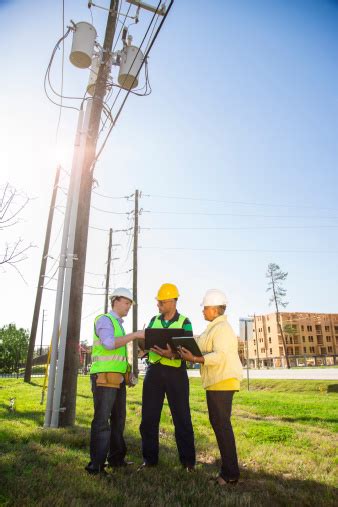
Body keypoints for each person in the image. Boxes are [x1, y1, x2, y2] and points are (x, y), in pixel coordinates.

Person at [178, 289, 242, 486]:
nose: (202, 311)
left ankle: (230, 474)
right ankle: (229, 471)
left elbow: (220, 355)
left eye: (205, 308)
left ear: (214, 309)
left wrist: (196, 359)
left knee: (222, 427)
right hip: (216, 381)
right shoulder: (213, 328)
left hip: (222, 381)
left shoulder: (222, 329)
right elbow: (199, 342)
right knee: (220, 425)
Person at [85, 287, 145, 476]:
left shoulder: (119, 325)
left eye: (130, 304)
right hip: (103, 379)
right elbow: (109, 344)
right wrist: (135, 335)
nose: (128, 307)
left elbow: (117, 353)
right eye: (126, 303)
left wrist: (130, 370)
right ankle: (96, 465)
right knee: (102, 421)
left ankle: (116, 459)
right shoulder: (104, 320)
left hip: (117, 379)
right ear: (116, 301)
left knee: (119, 419)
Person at [138, 283, 196, 471]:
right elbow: (147, 343)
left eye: (161, 302)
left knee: (182, 418)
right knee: (148, 418)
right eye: (158, 302)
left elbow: (188, 349)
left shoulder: (185, 322)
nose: (158, 305)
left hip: (176, 374)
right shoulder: (154, 320)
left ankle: (188, 463)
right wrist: (143, 346)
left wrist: (171, 354)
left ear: (172, 302)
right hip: (154, 372)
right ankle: (149, 460)